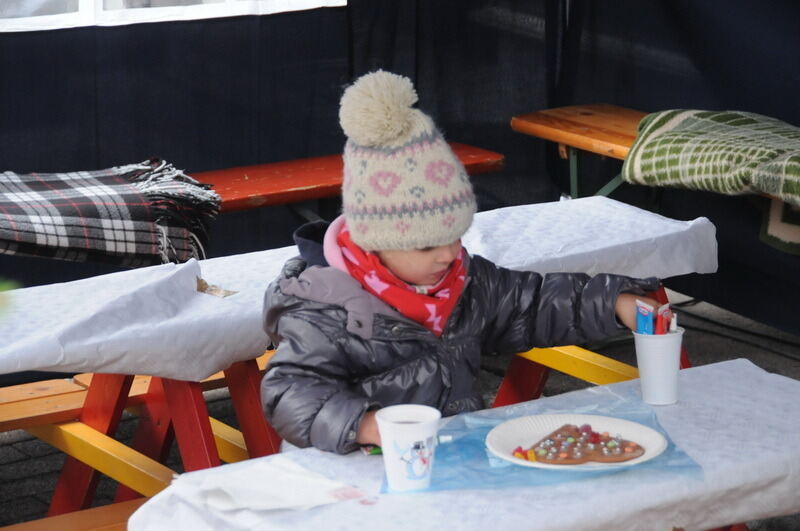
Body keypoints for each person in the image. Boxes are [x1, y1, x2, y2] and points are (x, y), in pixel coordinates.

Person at [261, 70, 659, 454]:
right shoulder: (325, 311)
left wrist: (614, 301)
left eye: (455, 237)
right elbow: (288, 391)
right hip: (359, 482)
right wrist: (364, 425)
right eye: (426, 246)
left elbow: (533, 303)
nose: (449, 254)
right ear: (374, 244)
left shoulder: (465, 282)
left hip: (452, 458)